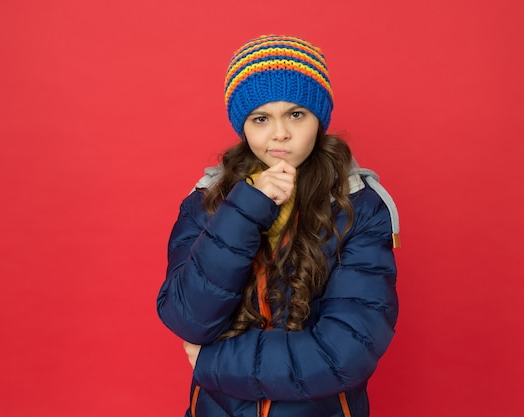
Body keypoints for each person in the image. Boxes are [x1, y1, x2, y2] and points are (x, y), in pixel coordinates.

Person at [157, 34, 400, 417]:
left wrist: (214, 361)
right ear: (244, 126)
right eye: (261, 118)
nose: (280, 133)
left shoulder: (360, 206)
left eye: (296, 114)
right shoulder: (208, 199)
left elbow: (346, 353)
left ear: (318, 117)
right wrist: (246, 207)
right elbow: (188, 316)